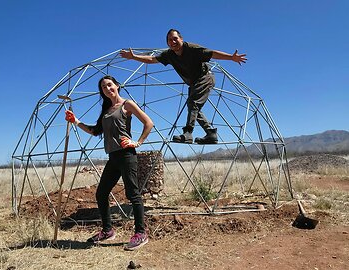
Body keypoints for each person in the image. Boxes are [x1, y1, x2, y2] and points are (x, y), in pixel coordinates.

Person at [65, 75, 154, 251]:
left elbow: (148, 123)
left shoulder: (126, 104)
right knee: (101, 193)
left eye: (109, 85)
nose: (107, 89)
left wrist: (138, 142)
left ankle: (141, 233)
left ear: (117, 86)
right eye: (104, 88)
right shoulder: (106, 110)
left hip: (127, 155)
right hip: (113, 157)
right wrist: (75, 121)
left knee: (133, 194)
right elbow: (94, 131)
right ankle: (107, 230)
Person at [120, 28, 247, 144]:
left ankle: (188, 134)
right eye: (170, 40)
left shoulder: (191, 48)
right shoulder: (169, 54)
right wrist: (134, 57)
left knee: (193, 104)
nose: (173, 41)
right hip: (193, 83)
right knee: (194, 108)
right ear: (167, 43)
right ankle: (210, 133)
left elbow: (212, 53)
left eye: (175, 38)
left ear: (181, 39)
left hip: (205, 77)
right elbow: (153, 60)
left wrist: (231, 57)